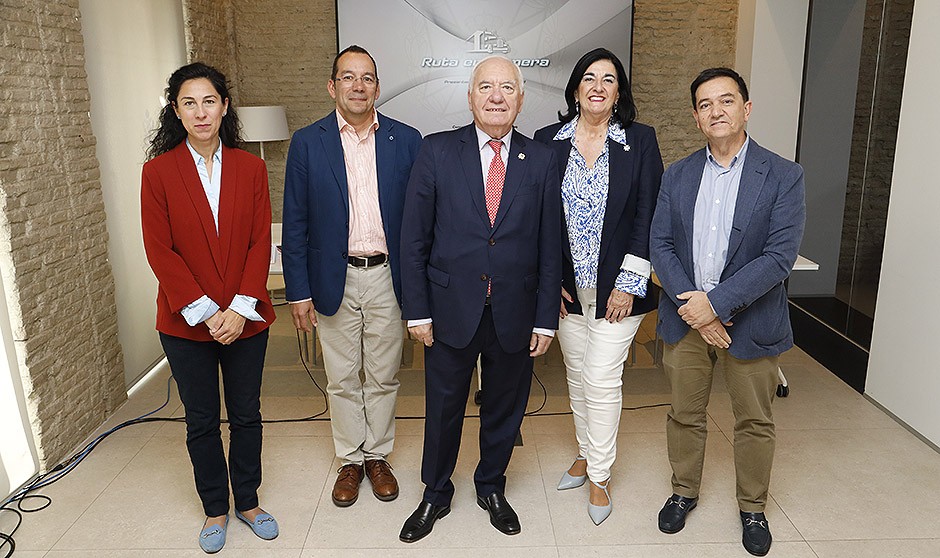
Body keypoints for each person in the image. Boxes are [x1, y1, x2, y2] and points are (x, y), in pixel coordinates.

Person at [398, 55, 561, 543]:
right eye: (486, 87)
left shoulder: (543, 159)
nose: (496, 96)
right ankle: (435, 492)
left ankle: (491, 485)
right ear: (470, 97)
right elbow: (413, 241)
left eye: (507, 88)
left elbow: (551, 243)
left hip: (515, 308)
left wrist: (546, 319)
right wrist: (418, 309)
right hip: (449, 310)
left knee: (505, 407)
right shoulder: (436, 152)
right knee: (443, 407)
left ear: (521, 99)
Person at [649, 67, 805, 557]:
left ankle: (752, 507)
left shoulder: (784, 174)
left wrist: (714, 305)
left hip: (752, 319)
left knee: (754, 419)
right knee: (684, 413)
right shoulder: (677, 174)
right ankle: (683, 491)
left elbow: (778, 258)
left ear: (747, 108)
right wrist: (697, 309)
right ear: (696, 117)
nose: (716, 111)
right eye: (705, 104)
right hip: (685, 316)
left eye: (727, 100)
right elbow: (661, 245)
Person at [141, 62, 278, 553]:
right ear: (176, 111)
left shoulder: (251, 167)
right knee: (201, 419)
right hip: (185, 324)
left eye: (209, 101)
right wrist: (205, 312)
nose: (200, 112)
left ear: (224, 107)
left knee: (246, 414)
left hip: (245, 317)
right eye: (188, 103)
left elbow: (259, 243)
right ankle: (214, 509)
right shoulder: (157, 173)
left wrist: (239, 309)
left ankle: (248, 501)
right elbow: (160, 251)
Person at [282, 45, 422, 508]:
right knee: (342, 378)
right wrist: (297, 290)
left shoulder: (407, 140)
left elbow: (422, 223)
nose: (358, 85)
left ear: (377, 87)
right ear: (332, 85)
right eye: (348, 77)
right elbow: (296, 221)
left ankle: (377, 456)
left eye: (367, 78)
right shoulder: (308, 141)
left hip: (387, 276)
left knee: (383, 376)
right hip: (333, 276)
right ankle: (350, 460)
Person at [533, 47, 663, 525]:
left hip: (617, 293)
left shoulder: (640, 141)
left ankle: (600, 476)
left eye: (609, 79)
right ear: (574, 89)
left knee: (602, 378)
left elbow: (647, 215)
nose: (598, 86)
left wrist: (629, 284)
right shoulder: (548, 142)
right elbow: (539, 221)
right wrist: (550, 286)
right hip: (568, 293)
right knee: (575, 377)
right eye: (589, 77)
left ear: (619, 92)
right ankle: (587, 453)